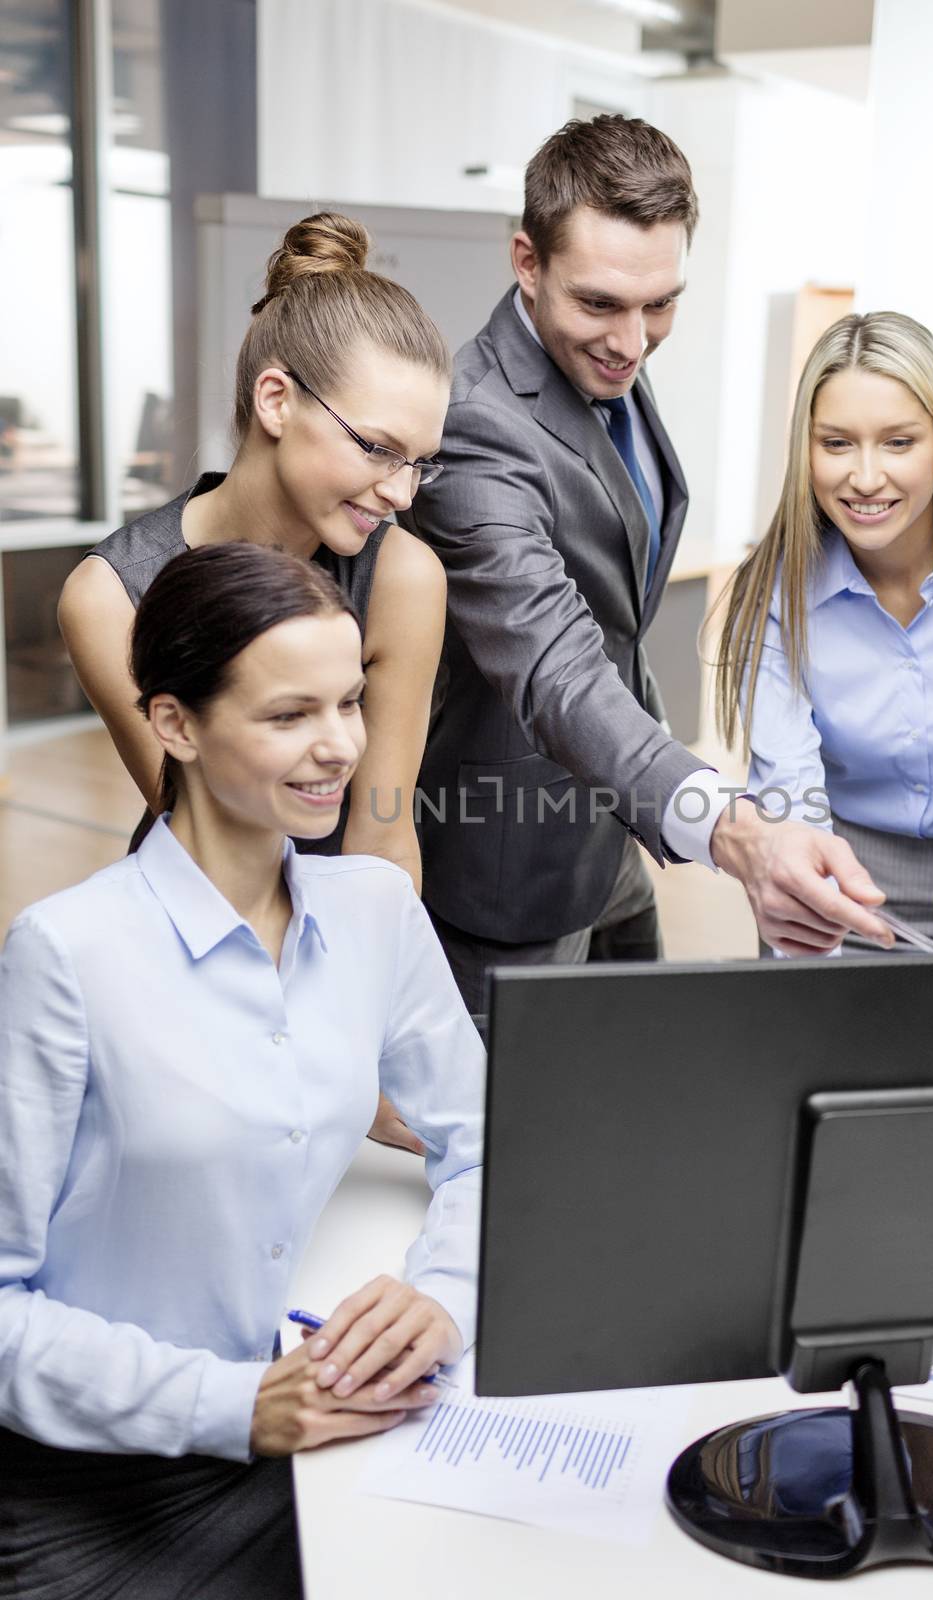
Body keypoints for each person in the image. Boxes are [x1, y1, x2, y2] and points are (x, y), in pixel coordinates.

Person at [0, 543, 483, 1599]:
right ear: (174, 722)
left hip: (323, 1437)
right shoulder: (65, 955)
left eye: (350, 702)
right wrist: (233, 1406)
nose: (339, 747)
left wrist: (441, 1296)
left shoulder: (372, 913)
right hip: (108, 1481)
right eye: (288, 715)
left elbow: (494, 1144)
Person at [403, 114, 894, 1011]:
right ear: (527, 262)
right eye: (599, 304)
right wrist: (737, 833)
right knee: (501, 1140)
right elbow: (554, 664)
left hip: (614, 831)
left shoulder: (606, 356)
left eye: (659, 304)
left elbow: (616, 621)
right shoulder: (473, 421)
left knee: (626, 1102)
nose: (631, 342)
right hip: (508, 859)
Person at [58, 209, 450, 1148]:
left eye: (420, 464)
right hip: (192, 958)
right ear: (277, 401)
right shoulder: (109, 599)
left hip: (346, 971)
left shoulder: (401, 575)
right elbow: (200, 835)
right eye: (377, 448)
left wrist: (370, 1051)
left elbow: (383, 843)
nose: (399, 490)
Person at [715, 310, 933, 946]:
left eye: (899, 442)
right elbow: (791, 792)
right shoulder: (772, 589)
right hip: (831, 884)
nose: (867, 477)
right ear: (807, 449)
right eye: (837, 443)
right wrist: (822, 921)